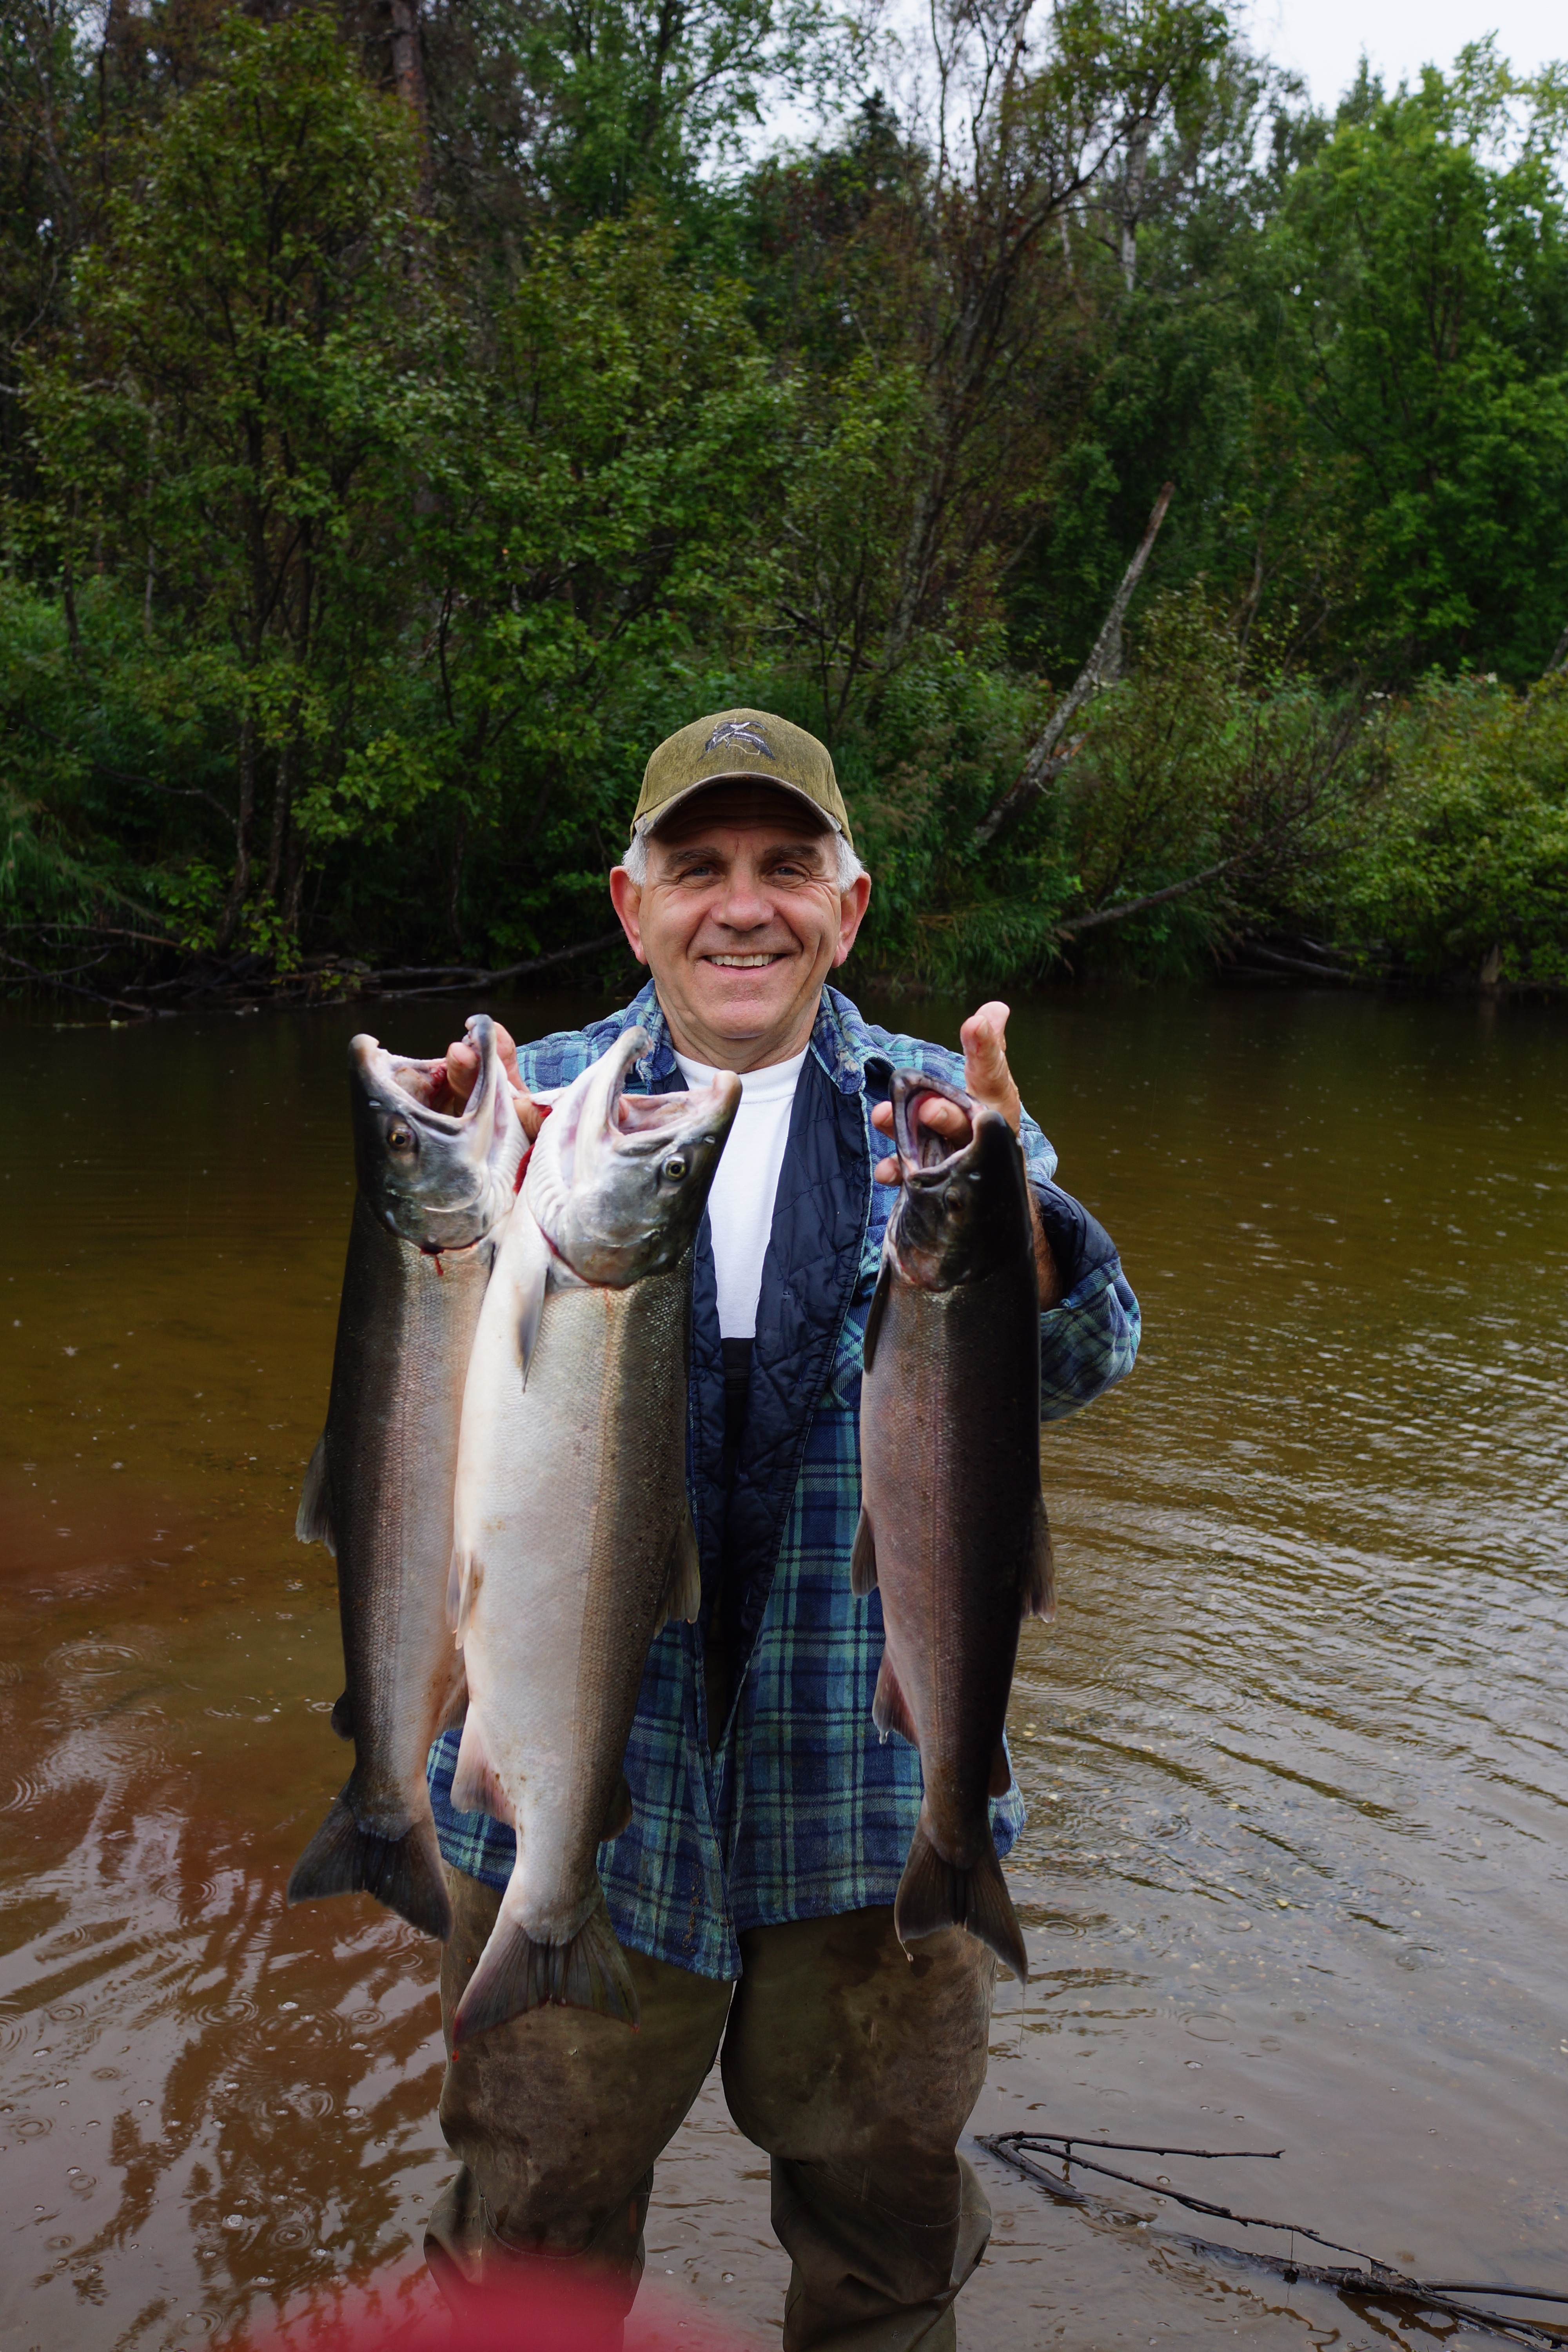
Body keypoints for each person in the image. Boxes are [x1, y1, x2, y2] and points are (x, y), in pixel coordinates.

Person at [425, 709, 1140, 2350]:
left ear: (850, 904)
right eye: (698, 868)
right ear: (630, 903)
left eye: (783, 867)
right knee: (520, 2258)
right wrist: (437, 1214)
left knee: (885, 2260)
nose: (741, 907)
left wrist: (1032, 1228)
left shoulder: (943, 1122)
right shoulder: (526, 1116)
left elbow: (1090, 1367)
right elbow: (403, 1408)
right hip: (577, 1825)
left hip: (873, 1814)